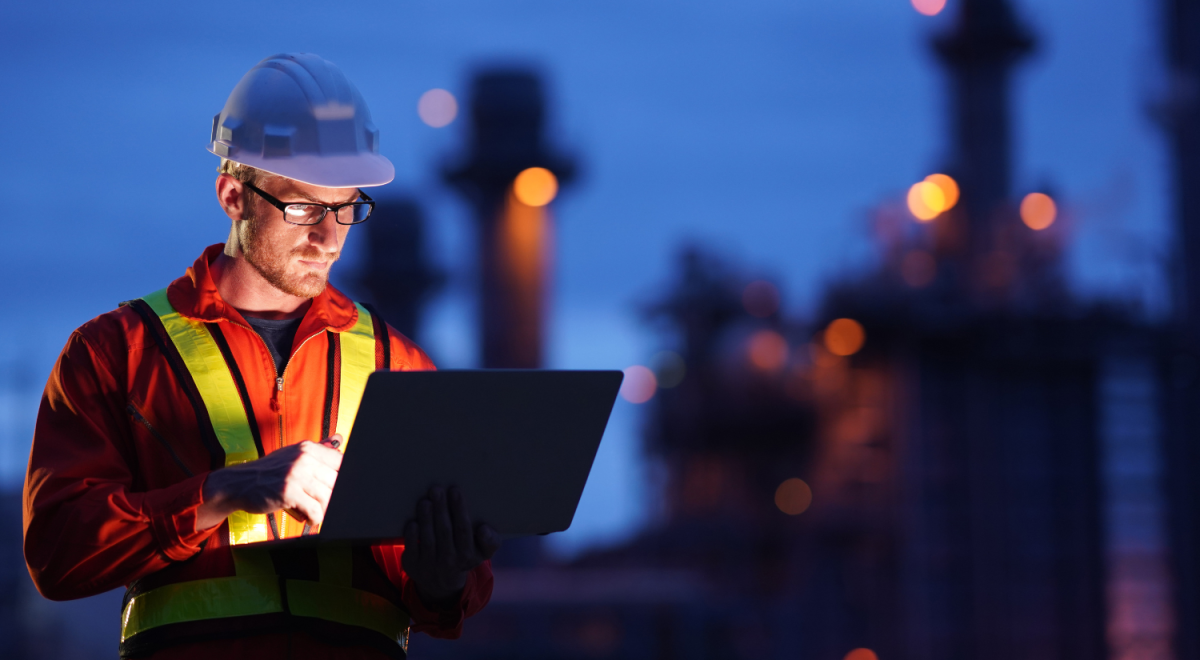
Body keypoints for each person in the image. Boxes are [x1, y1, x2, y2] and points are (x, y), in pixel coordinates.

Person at [22, 53, 498, 659]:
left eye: (347, 208)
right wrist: (229, 490)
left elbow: (443, 598)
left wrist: (446, 571)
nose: (328, 237)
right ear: (233, 196)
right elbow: (59, 554)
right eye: (303, 208)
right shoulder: (117, 353)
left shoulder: (396, 364)